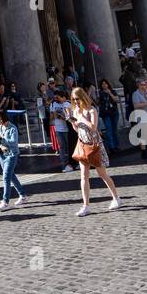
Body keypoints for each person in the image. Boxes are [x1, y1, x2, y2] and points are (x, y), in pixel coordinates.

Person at [67, 87, 120, 215]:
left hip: (95, 146)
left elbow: (93, 127)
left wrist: (82, 118)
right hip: (83, 145)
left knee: (102, 174)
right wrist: (72, 121)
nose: (76, 101)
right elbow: (78, 130)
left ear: (83, 97)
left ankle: (116, 198)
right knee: (84, 176)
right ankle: (86, 205)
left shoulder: (91, 110)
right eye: (73, 99)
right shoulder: (76, 111)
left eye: (77, 99)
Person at [0, 107, 26, 209]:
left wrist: (2, 139)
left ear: (4, 118)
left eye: (0, 119)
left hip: (12, 155)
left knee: (6, 177)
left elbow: (13, 142)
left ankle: (5, 201)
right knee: (11, 176)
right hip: (2, 155)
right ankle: (23, 195)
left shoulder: (13, 128)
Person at [50, 89, 75, 172]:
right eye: (55, 97)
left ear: (62, 97)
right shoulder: (53, 104)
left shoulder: (67, 104)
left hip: (67, 129)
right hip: (58, 128)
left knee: (69, 147)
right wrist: (54, 115)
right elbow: (52, 117)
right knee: (62, 147)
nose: (56, 99)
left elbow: (69, 117)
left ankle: (71, 163)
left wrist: (62, 117)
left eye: (58, 97)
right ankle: (64, 165)